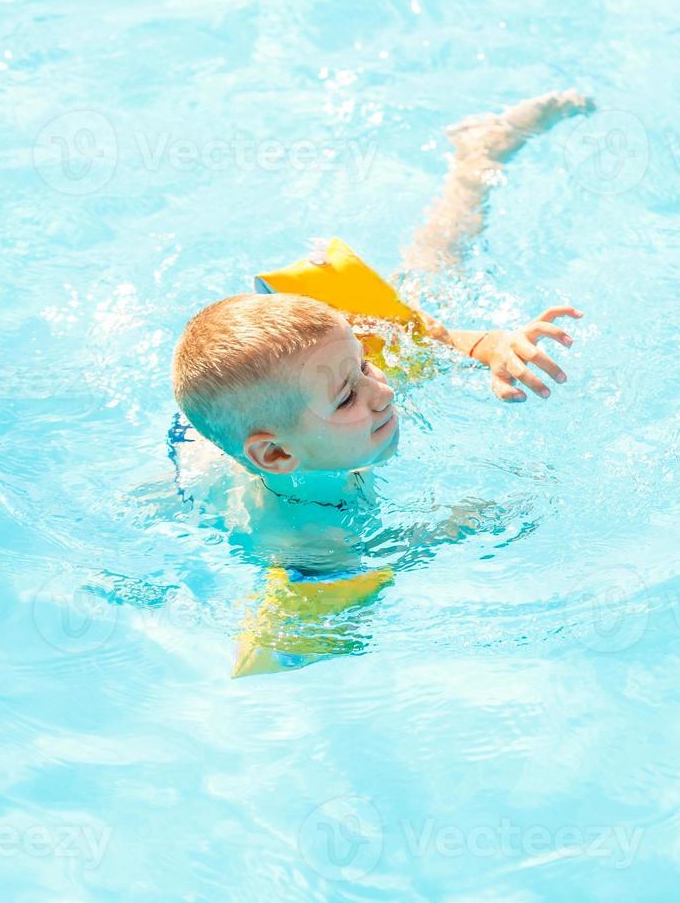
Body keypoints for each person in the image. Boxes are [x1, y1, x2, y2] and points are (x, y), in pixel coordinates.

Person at [167, 90, 590, 675]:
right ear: (278, 454)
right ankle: (477, 156)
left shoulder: (325, 390)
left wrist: (491, 346)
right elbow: (331, 606)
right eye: (350, 394)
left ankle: (477, 160)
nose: (383, 390)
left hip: (281, 397)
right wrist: (465, 521)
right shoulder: (308, 539)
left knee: (431, 280)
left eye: (365, 367)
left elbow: (420, 340)